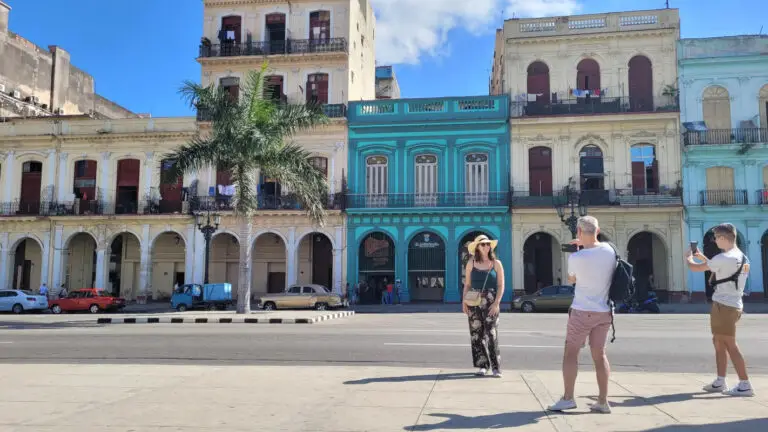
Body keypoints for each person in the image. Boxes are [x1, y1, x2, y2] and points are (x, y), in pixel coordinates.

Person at [548, 216, 615, 414]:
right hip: (604, 311)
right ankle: (603, 401)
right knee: (599, 355)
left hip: (582, 311)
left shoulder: (576, 257)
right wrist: (587, 245)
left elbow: (572, 279)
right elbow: (600, 248)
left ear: (578, 232)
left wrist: (580, 251)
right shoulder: (610, 251)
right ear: (598, 230)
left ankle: (568, 398)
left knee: (571, 353)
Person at [686, 223, 754, 397]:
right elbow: (719, 268)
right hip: (732, 304)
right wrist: (702, 256)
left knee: (730, 345)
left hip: (724, 306)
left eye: (716, 238)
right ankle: (720, 381)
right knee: (718, 342)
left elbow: (695, 268)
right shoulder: (741, 257)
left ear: (724, 238)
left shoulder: (723, 258)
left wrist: (689, 257)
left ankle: (745, 384)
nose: (715, 241)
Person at [462, 234, 505, 378]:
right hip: (473, 300)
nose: (486, 246)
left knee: (491, 334)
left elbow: (500, 285)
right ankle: (482, 365)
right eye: (483, 244)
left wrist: (497, 303)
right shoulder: (471, 263)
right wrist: (464, 302)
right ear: (477, 248)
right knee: (476, 335)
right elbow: (467, 284)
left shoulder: (496, 263)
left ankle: (496, 368)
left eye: (488, 244)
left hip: (491, 301)